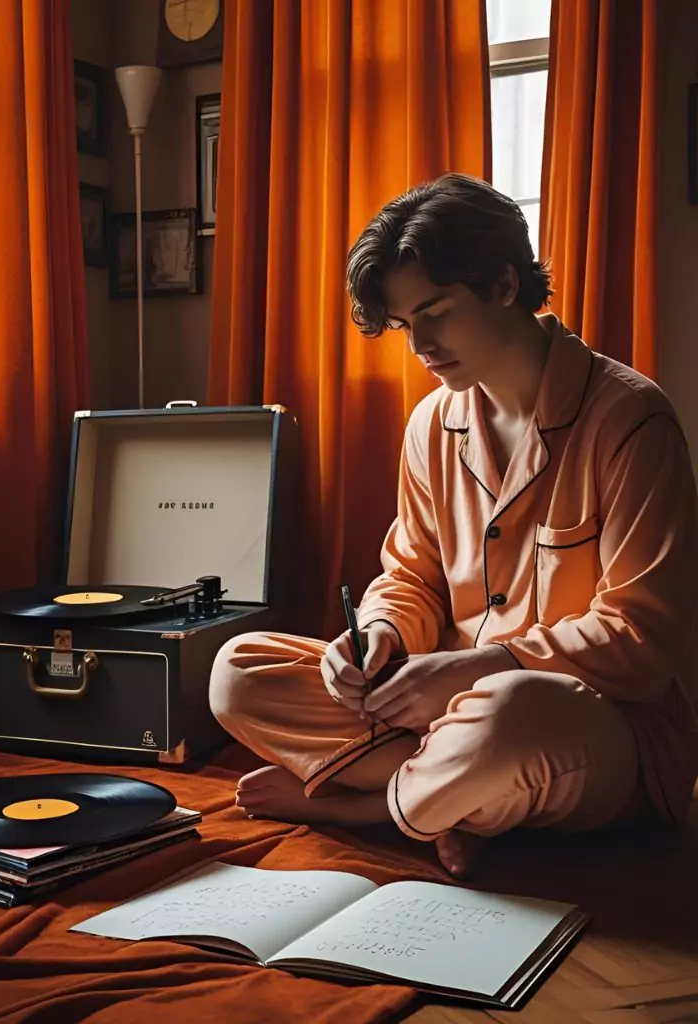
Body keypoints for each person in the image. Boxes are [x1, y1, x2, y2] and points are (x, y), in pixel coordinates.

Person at [208, 173, 698, 879]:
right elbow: (412, 576)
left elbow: (641, 641)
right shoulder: (432, 424)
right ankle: (452, 801)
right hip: (444, 715)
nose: (420, 345)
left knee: (513, 714)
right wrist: (378, 637)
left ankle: (375, 805)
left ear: (504, 285)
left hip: (592, 732)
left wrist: (484, 666)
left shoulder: (631, 421)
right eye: (407, 325)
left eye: (435, 312)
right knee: (238, 671)